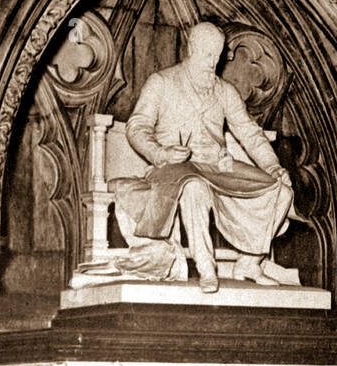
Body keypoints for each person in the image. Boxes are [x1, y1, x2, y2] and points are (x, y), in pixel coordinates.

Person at [116, 21, 294, 293]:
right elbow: (136, 128)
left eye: (217, 55)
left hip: (217, 167)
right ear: (191, 48)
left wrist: (273, 166)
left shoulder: (225, 91)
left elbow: (249, 133)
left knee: (281, 191)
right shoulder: (162, 82)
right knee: (194, 188)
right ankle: (206, 268)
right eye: (206, 54)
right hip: (173, 168)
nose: (213, 62)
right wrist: (161, 153)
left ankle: (249, 262)